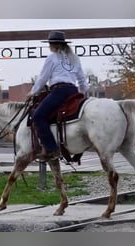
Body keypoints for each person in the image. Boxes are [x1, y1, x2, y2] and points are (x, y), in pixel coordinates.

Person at [27, 30, 89, 161]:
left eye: (50, 43)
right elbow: (82, 80)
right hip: (74, 91)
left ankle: (51, 149)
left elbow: (43, 78)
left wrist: (32, 92)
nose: (49, 46)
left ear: (54, 45)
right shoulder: (75, 58)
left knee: (38, 116)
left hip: (59, 91)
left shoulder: (52, 58)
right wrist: (82, 95)